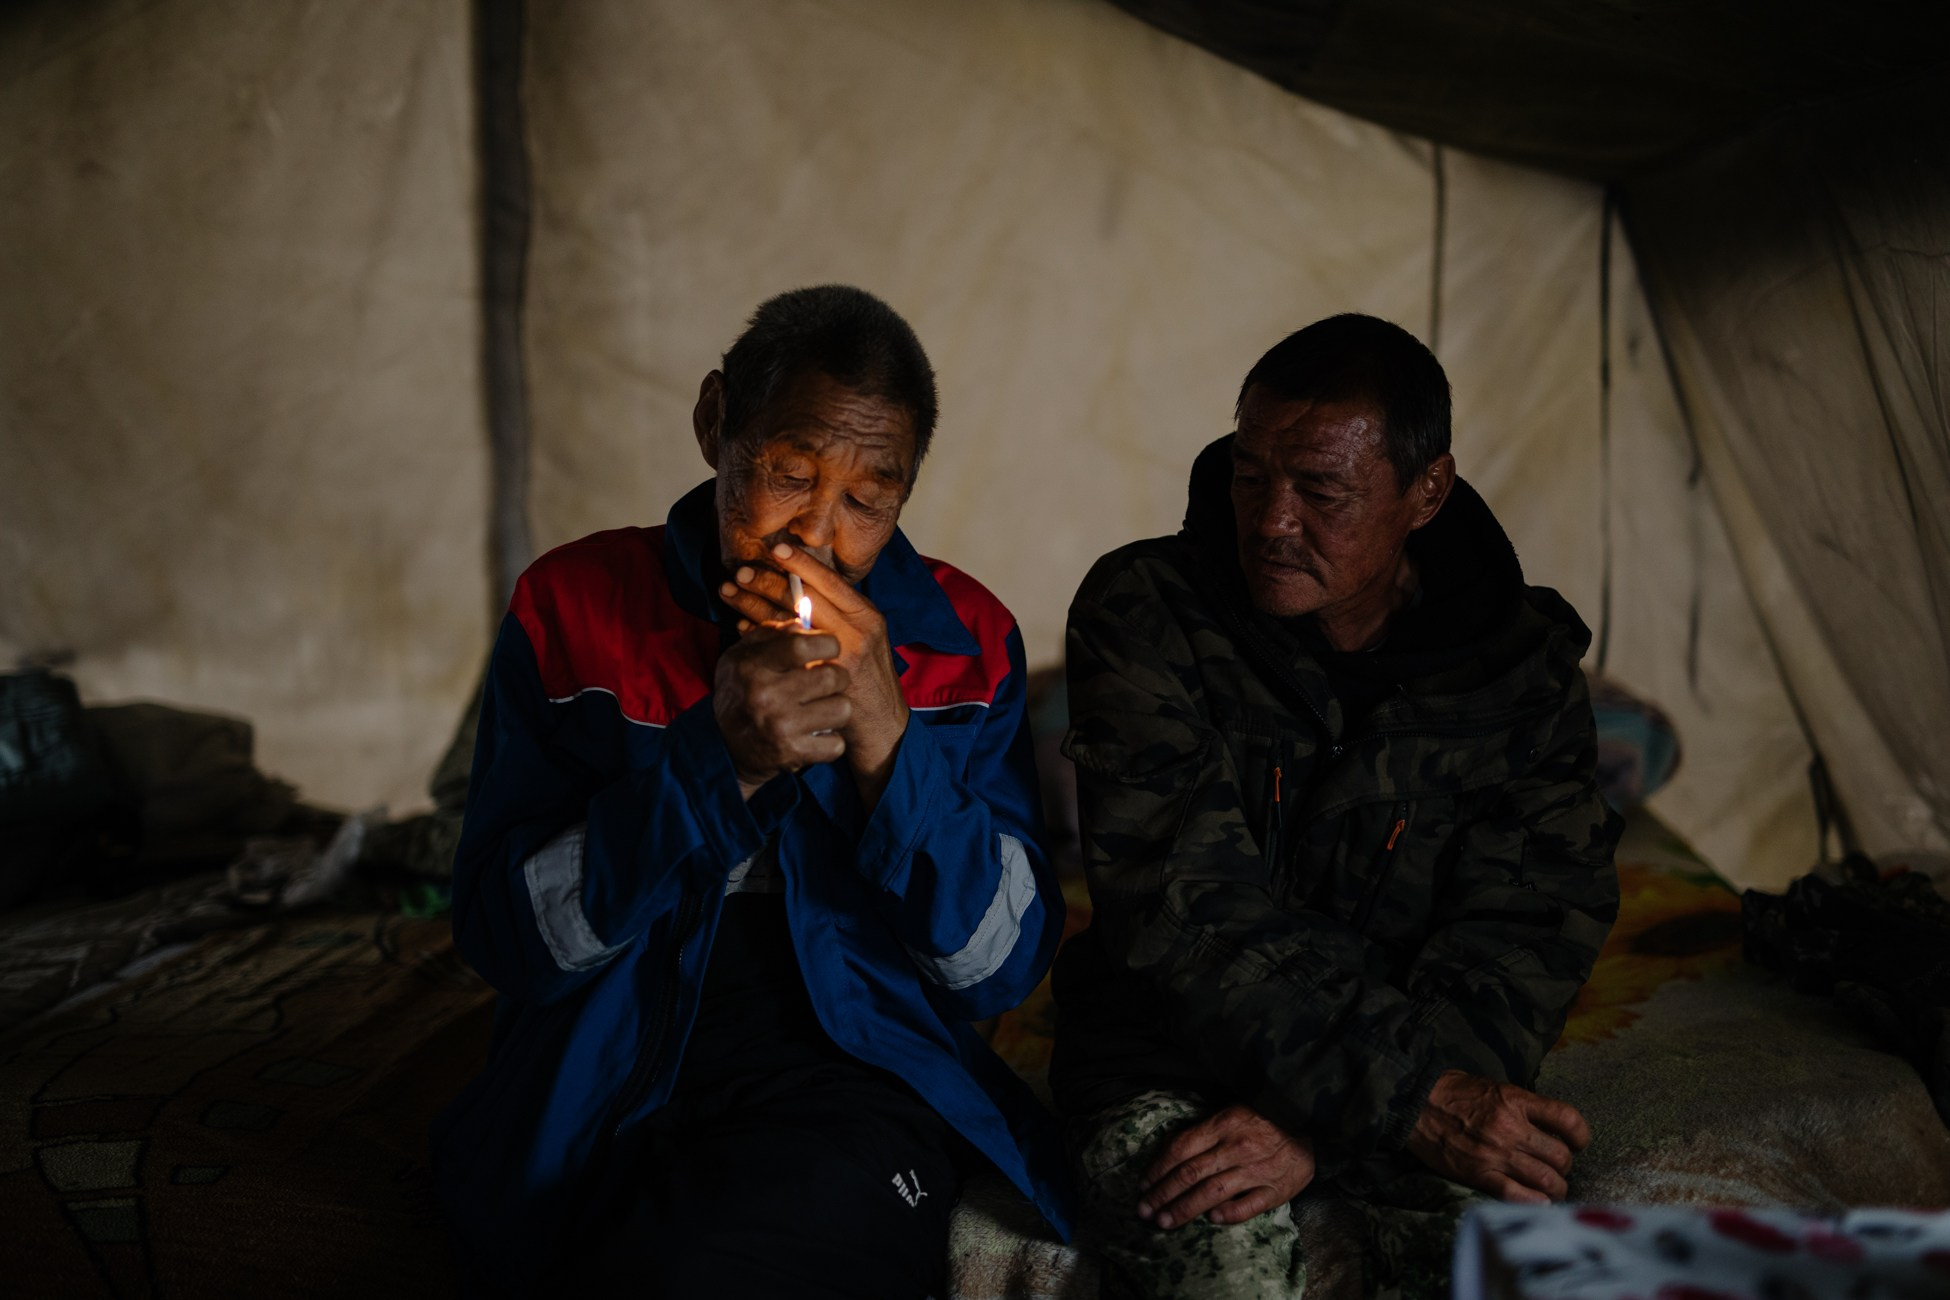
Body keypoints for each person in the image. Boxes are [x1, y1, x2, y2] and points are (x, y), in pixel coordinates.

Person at [432, 285, 1071, 1297]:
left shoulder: (968, 643)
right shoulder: (574, 606)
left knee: (755, 1246)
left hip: (854, 1074)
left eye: (867, 499)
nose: (815, 535)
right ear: (713, 421)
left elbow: (994, 971)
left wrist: (885, 736)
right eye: (787, 472)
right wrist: (720, 762)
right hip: (601, 1064)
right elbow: (510, 939)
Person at [1051, 314, 1622, 1299]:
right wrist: (1401, 1099)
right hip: (1171, 1055)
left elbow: (1523, 939)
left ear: (1426, 491)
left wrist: (1339, 1118)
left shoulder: (1518, 672)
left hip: (1424, 1055)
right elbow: (1185, 911)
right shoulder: (1146, 611)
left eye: (1321, 490)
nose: (1272, 520)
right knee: (1212, 1262)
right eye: (1248, 476)